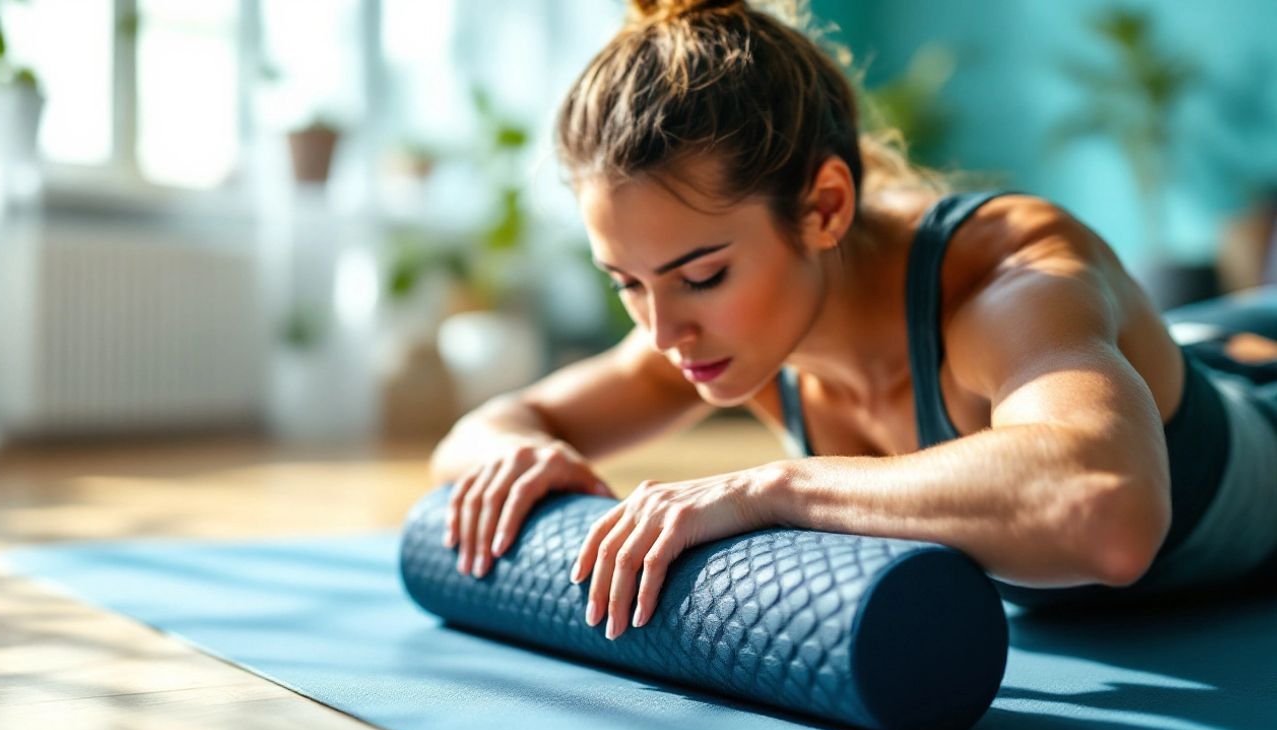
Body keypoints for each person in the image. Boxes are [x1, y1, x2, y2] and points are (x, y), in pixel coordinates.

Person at [430, 0, 1277, 639]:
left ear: (824, 206)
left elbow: (1110, 513)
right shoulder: (711, 328)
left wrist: (772, 491)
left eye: (703, 274)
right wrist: (521, 459)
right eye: (625, 283)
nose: (660, 333)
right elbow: (481, 432)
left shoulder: (1003, 280)